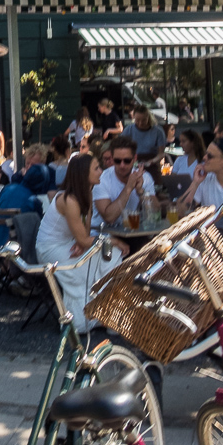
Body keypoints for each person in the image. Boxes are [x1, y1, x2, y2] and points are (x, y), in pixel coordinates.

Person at [36, 153, 118, 333]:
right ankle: (80, 320)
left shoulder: (86, 194)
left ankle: (105, 310)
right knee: (96, 259)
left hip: (69, 243)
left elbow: (85, 234)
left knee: (111, 255)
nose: (101, 171)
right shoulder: (68, 200)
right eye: (96, 168)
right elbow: (83, 238)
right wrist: (110, 241)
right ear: (83, 173)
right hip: (50, 248)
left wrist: (84, 243)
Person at [176, 137, 223, 215]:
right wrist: (195, 183)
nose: (204, 158)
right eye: (205, 154)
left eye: (209, 156)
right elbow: (180, 210)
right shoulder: (205, 180)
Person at [91, 136, 154, 231]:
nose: (122, 165)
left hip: (132, 232)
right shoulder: (102, 179)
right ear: (112, 158)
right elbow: (109, 218)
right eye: (117, 161)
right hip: (103, 235)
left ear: (134, 158)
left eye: (127, 160)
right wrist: (128, 188)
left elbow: (154, 214)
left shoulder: (145, 177)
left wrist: (140, 191)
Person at [125, 104, 167, 173]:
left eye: (143, 120)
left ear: (148, 118)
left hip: (152, 164)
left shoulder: (158, 131)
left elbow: (161, 153)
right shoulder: (129, 129)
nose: (140, 123)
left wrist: (151, 161)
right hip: (133, 164)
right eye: (137, 120)